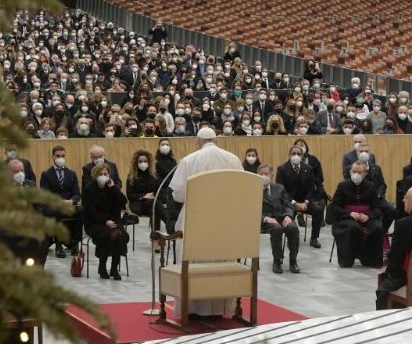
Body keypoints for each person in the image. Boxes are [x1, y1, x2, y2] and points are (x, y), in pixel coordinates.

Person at [168, 127, 243, 317]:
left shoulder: (189, 160)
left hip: (196, 217)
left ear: (197, 141)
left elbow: (177, 195)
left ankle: (193, 308)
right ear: (216, 141)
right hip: (225, 219)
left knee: (195, 261)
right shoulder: (232, 159)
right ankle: (221, 308)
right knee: (221, 259)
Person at [0, 160, 49, 264]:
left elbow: (38, 207)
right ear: (8, 172)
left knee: (45, 235)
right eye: (16, 171)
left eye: (22, 171)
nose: (20, 174)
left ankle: (38, 265)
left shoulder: (31, 185)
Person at [331, 162, 384, 268]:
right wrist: (349, 214)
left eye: (359, 172)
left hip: (367, 217)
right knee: (352, 228)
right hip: (347, 217)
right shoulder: (342, 185)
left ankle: (370, 260)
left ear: (365, 174)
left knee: (377, 228)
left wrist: (368, 215)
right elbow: (334, 207)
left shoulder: (371, 186)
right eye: (354, 172)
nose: (356, 174)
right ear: (350, 172)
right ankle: (347, 259)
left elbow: (377, 208)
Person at [82, 163, 129, 280]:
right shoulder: (89, 189)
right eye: (100, 174)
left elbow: (123, 202)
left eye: (105, 174)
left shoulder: (111, 188)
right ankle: (103, 266)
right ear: (95, 175)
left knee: (119, 235)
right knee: (107, 235)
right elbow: (90, 212)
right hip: (94, 222)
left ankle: (113, 268)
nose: (103, 176)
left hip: (113, 221)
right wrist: (105, 221)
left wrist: (113, 188)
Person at [276, 145, 323, 248]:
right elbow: (281, 190)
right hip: (289, 202)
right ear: (289, 155)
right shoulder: (282, 169)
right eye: (293, 154)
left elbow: (311, 188)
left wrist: (306, 202)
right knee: (288, 216)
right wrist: (294, 203)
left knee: (318, 210)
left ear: (302, 156)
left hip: (304, 202)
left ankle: (314, 238)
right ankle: (291, 238)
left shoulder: (309, 168)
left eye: (298, 154)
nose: (296, 156)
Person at [39, 146, 81, 258]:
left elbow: (77, 193)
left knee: (82, 211)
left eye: (63, 156)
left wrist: (72, 201)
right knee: (57, 211)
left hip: (68, 204)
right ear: (53, 156)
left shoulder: (71, 174)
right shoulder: (46, 174)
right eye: (58, 156)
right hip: (52, 205)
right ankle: (58, 245)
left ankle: (75, 243)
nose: (60, 158)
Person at [258, 163, 300, 274]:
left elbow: (288, 205)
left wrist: (288, 216)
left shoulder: (279, 188)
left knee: (293, 228)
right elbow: (250, 211)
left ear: (271, 175)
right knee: (276, 229)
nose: (263, 176)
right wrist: (266, 219)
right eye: (261, 174)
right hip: (265, 220)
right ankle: (277, 260)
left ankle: (293, 260)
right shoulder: (252, 189)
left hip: (281, 217)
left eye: (266, 174)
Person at [126, 149, 167, 247]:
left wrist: (154, 196)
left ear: (149, 162)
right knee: (155, 205)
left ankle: (155, 239)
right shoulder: (131, 176)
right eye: (140, 162)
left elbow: (159, 192)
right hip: (137, 204)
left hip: (152, 203)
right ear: (136, 162)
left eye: (145, 161)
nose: (143, 163)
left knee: (154, 208)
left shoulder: (153, 176)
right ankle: (169, 224)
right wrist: (143, 196)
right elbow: (130, 195)